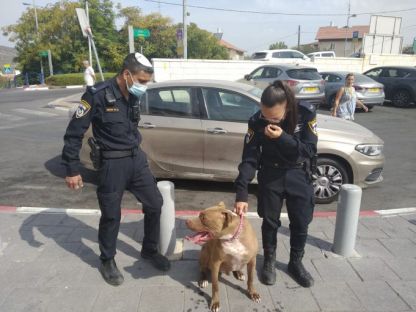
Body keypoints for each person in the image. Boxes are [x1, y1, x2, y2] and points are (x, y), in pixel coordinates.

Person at [62, 53, 170, 286]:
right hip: (112, 164)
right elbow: (73, 133)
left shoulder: (132, 94)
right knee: (111, 214)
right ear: (126, 74)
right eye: (141, 80)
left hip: (136, 160)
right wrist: (72, 169)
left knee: (155, 204)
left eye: (147, 81)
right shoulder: (96, 95)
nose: (144, 86)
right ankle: (107, 259)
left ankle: (149, 250)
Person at [234, 80, 317, 288]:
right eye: (265, 115)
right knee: (270, 221)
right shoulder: (256, 121)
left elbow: (309, 151)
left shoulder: (305, 114)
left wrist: (283, 138)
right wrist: (241, 193)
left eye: (275, 117)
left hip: (298, 174)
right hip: (271, 174)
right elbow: (250, 158)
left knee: (301, 221)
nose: (268, 120)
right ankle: (269, 261)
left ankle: (295, 262)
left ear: (287, 107)